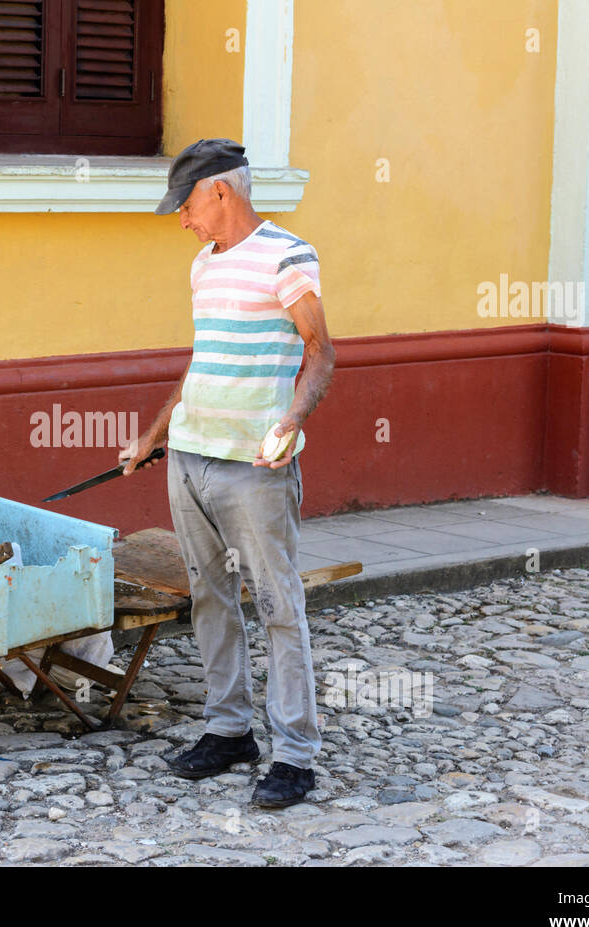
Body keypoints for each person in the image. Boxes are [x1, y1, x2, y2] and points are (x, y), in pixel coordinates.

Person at [120, 138, 335, 808]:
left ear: (221, 191)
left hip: (254, 467)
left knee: (276, 606)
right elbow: (201, 359)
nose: (183, 220)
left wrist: (292, 419)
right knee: (210, 600)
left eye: (186, 205)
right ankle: (228, 730)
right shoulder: (201, 267)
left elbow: (321, 352)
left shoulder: (288, 255)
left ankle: (295, 755)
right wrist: (154, 437)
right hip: (189, 459)